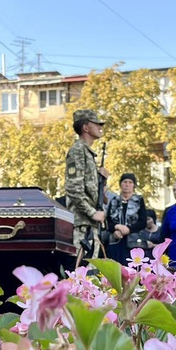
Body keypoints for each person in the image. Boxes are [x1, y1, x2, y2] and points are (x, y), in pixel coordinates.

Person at [62, 109, 110, 267]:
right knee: (79, 272)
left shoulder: (88, 154)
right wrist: (92, 213)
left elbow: (92, 192)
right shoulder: (78, 151)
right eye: (96, 123)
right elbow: (73, 188)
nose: (100, 126)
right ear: (86, 127)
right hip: (81, 224)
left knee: (89, 274)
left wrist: (101, 180)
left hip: (89, 224)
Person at [105, 173, 147, 265]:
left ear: (134, 185)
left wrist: (129, 229)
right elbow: (107, 221)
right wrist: (116, 228)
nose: (127, 184)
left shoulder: (139, 200)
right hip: (115, 241)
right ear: (120, 184)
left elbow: (143, 222)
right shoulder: (114, 200)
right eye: (124, 182)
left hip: (134, 243)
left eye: (130, 182)